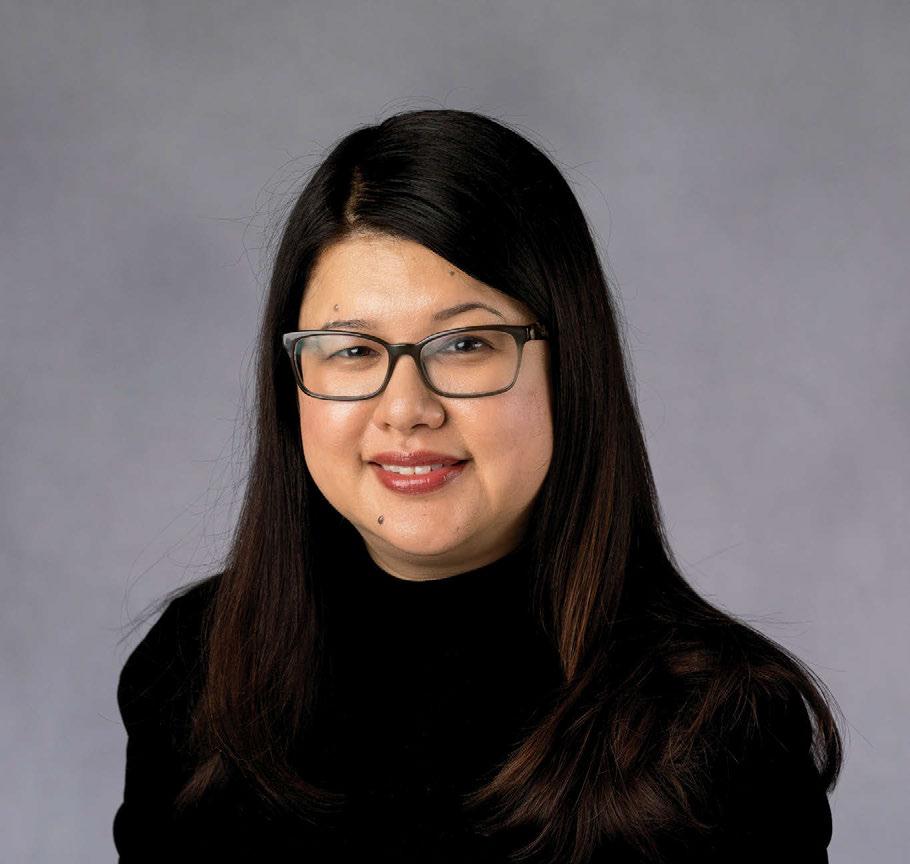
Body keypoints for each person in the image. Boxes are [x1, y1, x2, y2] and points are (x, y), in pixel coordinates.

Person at [113, 109, 843, 863]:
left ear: (569, 367)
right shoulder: (195, 670)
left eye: (465, 343)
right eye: (353, 349)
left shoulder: (720, 727)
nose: (405, 409)